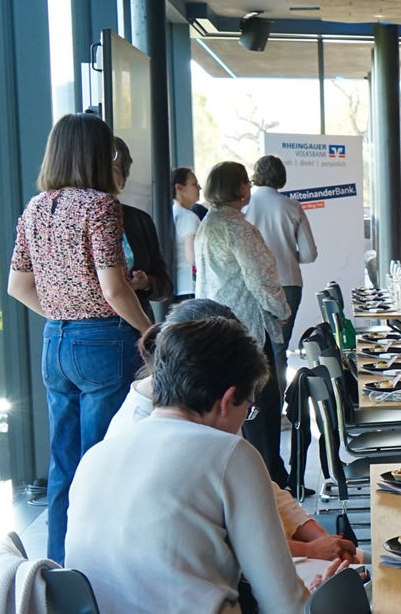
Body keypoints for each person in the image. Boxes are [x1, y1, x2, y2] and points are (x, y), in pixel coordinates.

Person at [65, 316, 346, 613]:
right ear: (226, 401)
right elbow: (285, 606)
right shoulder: (229, 452)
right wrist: (316, 598)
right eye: (248, 407)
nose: (245, 419)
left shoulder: (96, 456)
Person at [103, 299, 358, 564]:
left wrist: (318, 538)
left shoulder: (201, 405)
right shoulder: (143, 435)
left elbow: (261, 484)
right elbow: (223, 547)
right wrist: (310, 551)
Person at [6, 113, 153, 564]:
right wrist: (151, 331)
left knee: (64, 466)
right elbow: (114, 288)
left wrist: (63, 311)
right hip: (102, 343)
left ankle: (59, 570)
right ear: (96, 153)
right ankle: (100, 571)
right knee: (101, 465)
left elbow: (17, 285)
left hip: (55, 342)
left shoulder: (36, 206)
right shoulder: (100, 206)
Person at [196, 161, 292, 488]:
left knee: (243, 409)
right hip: (246, 327)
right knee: (261, 408)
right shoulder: (237, 227)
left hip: (217, 324)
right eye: (246, 184)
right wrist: (280, 308)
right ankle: (271, 482)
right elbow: (259, 276)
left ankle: (264, 479)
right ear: (238, 189)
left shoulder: (209, 223)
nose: (249, 188)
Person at [244, 155, 318, 359]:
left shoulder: (243, 208)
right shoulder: (292, 207)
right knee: (279, 350)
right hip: (288, 282)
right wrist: (287, 255)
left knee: (254, 351)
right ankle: (280, 391)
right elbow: (309, 254)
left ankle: (255, 391)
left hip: (253, 284)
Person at [112, 137, 173, 322]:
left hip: (137, 326)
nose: (103, 175)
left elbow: (165, 287)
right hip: (94, 328)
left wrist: (146, 283)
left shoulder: (139, 220)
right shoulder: (73, 219)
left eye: (113, 170)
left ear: (123, 180)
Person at [171, 167, 201, 303]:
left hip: (176, 286)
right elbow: (193, 257)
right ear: (179, 187)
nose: (199, 188)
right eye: (194, 184)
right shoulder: (189, 217)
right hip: (190, 288)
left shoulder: (172, 213)